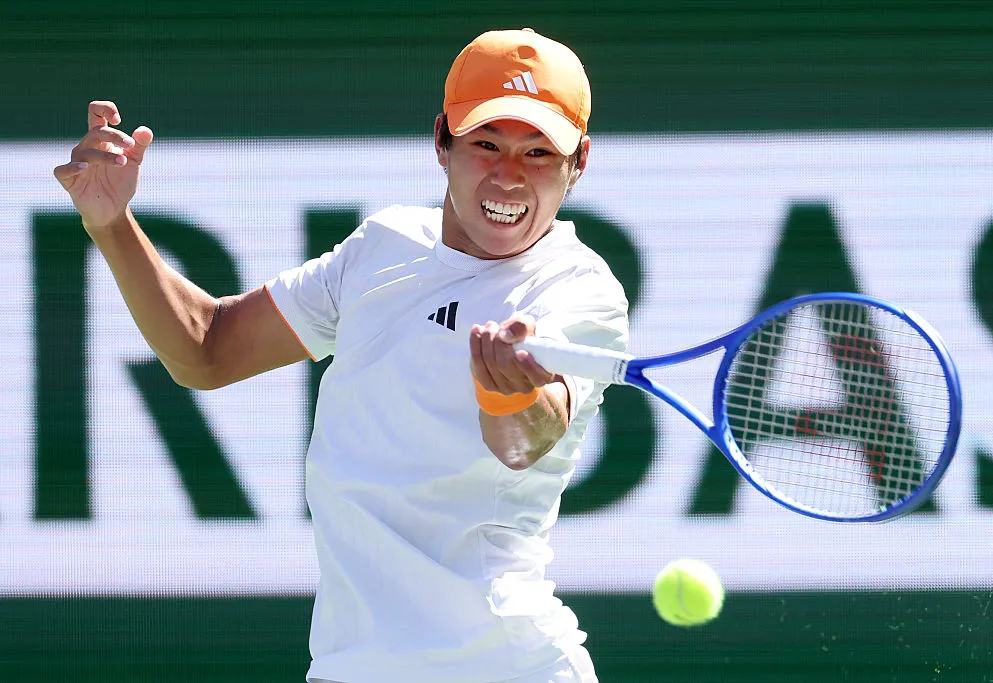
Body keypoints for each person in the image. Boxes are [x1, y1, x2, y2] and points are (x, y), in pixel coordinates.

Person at [54, 28, 628, 683]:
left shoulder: (579, 288)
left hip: (510, 668)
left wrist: (509, 392)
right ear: (441, 141)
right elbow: (205, 349)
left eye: (538, 152)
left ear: (578, 162)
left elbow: (525, 440)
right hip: (350, 668)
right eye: (486, 144)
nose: (508, 174)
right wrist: (110, 222)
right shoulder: (381, 247)